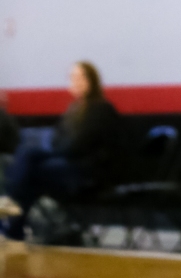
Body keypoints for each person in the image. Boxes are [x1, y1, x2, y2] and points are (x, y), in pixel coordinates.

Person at [0, 62, 121, 241]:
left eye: (81, 77)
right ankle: (15, 226)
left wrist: (61, 148)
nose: (76, 81)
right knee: (29, 167)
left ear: (92, 80)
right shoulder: (74, 109)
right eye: (73, 77)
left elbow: (78, 146)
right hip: (69, 162)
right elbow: (58, 140)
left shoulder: (101, 109)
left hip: (88, 172)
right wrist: (61, 148)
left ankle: (11, 209)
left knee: (30, 163)